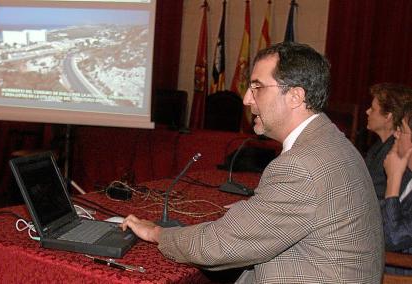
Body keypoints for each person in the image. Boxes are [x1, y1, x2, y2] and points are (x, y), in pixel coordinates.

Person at [121, 42, 384, 283]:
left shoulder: (301, 165)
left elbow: (219, 246)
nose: (247, 99)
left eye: (257, 87)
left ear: (295, 96)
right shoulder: (333, 142)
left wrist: (157, 233)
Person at [365, 83, 412, 200]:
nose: (367, 111)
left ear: (388, 116)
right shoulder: (380, 145)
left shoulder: (394, 153)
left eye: (373, 109)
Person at [382, 102, 412, 252]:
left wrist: (393, 179)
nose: (395, 134)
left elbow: (392, 239)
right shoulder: (407, 173)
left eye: (401, 130)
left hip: (399, 272)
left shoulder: (398, 172)